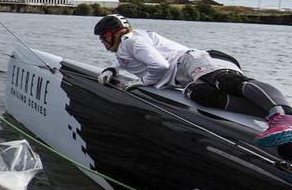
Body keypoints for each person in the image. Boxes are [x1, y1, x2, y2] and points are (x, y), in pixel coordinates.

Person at [94, 14, 292, 147]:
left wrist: (143, 81)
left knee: (227, 83)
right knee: (202, 95)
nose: (102, 43)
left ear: (111, 34)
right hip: (185, 75)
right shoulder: (128, 44)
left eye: (102, 38)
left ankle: (282, 115)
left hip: (192, 61)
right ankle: (269, 116)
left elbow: (159, 65)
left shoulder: (131, 41)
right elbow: (130, 61)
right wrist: (113, 69)